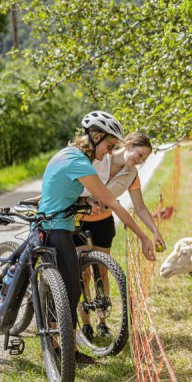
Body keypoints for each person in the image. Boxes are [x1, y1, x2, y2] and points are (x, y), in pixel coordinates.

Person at [37, 111, 155, 364]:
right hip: (56, 226)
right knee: (70, 286)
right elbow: (114, 203)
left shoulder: (72, 155)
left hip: (60, 223)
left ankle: (62, 344)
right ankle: (60, 349)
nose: (110, 151)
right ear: (96, 136)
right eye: (110, 146)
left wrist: (85, 200)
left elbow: (67, 192)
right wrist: (144, 237)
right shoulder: (81, 161)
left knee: (70, 285)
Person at [75, 132, 166, 340]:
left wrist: (154, 231)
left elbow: (140, 207)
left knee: (102, 271)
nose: (140, 161)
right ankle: (85, 323)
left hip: (103, 222)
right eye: (140, 154)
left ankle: (102, 322)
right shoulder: (99, 158)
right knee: (83, 274)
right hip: (78, 221)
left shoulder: (132, 175)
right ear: (129, 144)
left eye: (144, 159)